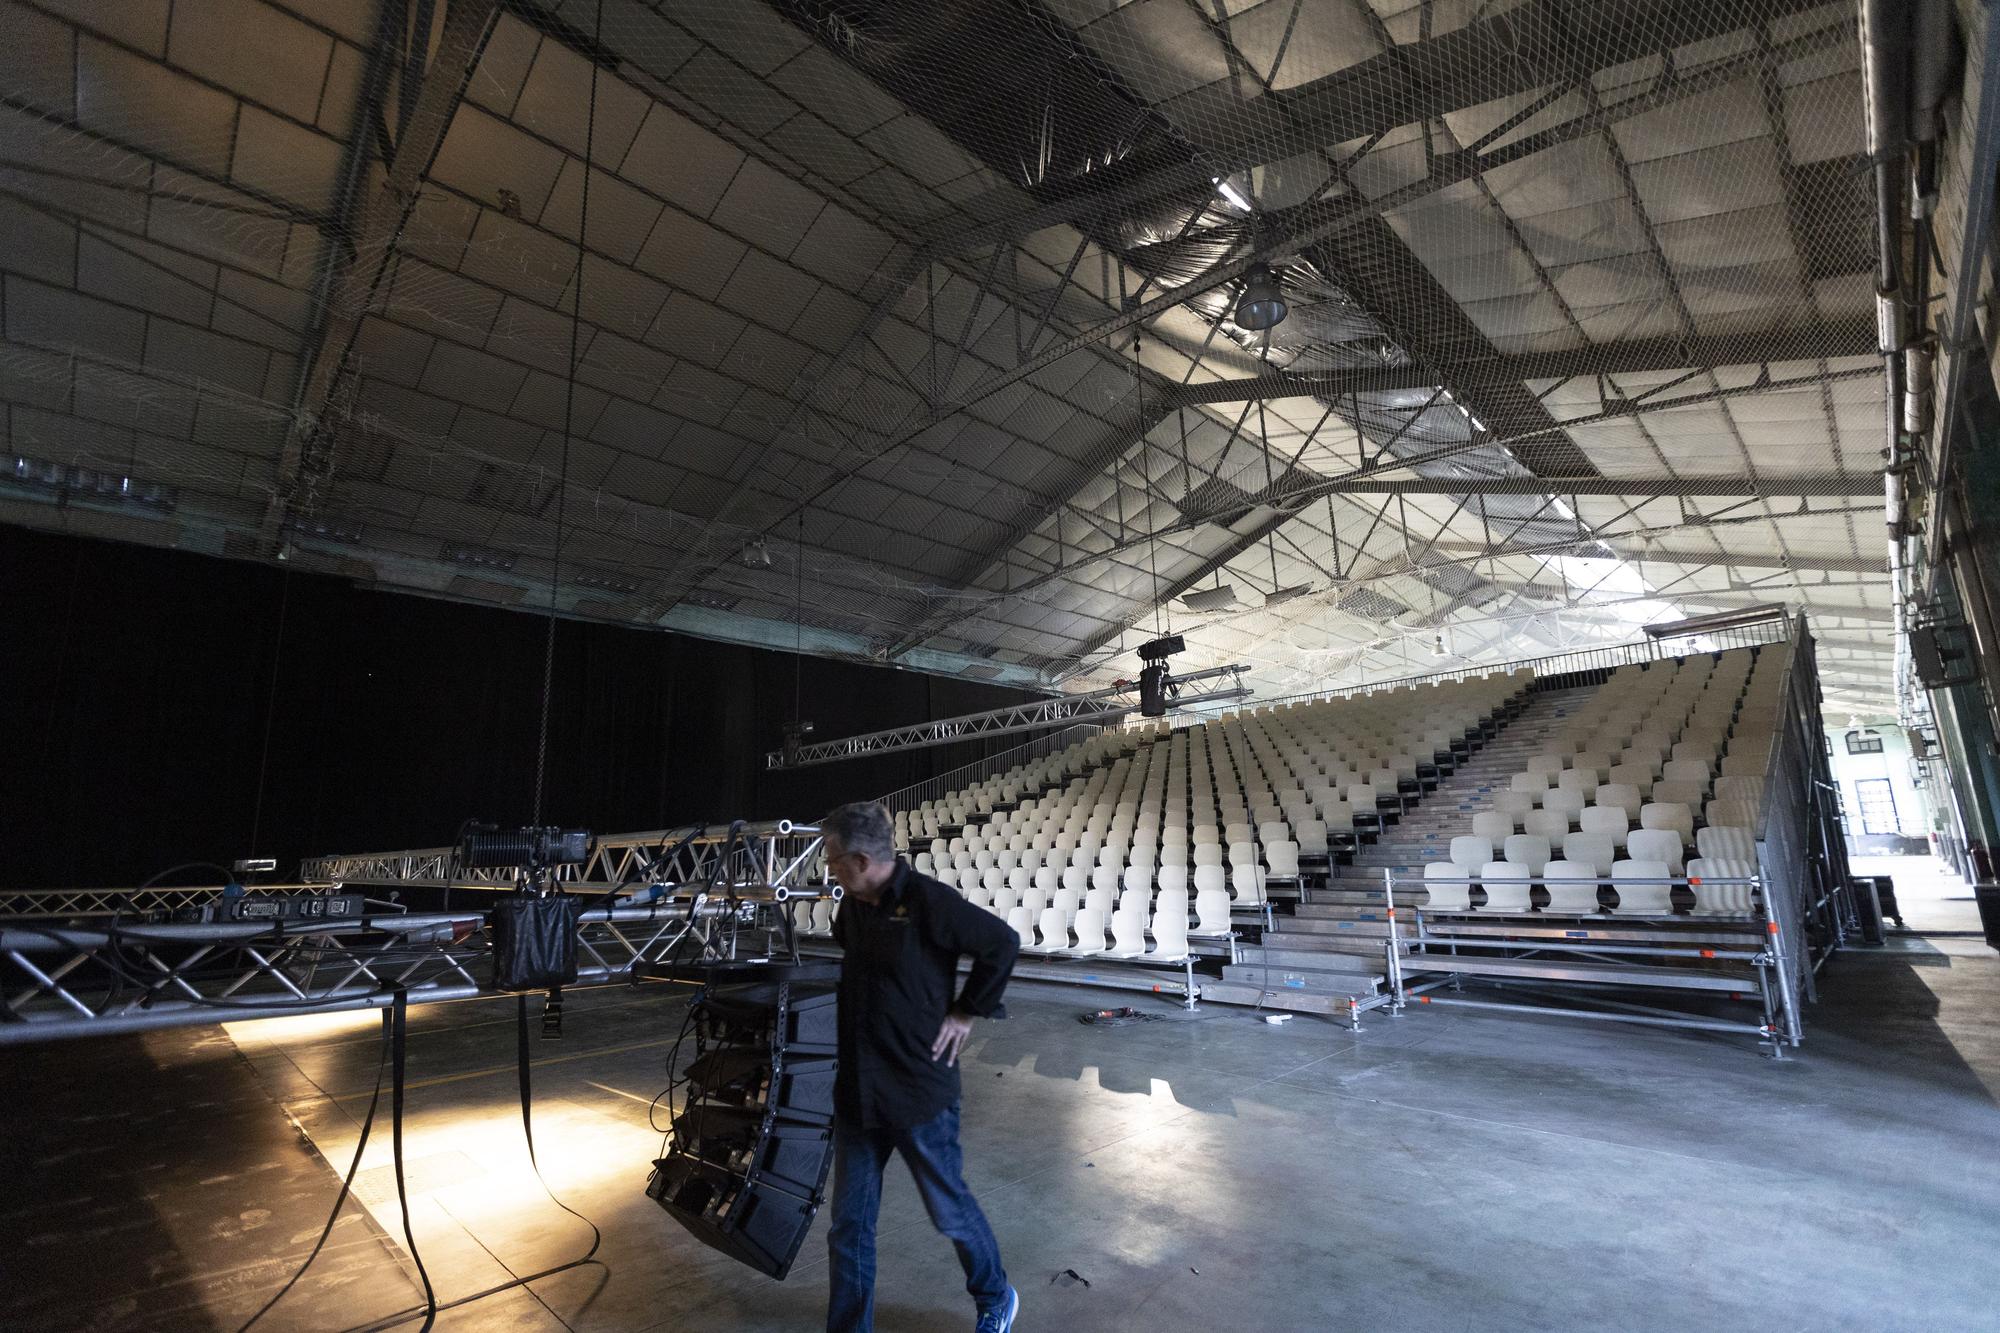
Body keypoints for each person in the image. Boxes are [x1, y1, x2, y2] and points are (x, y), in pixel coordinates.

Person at [819, 801, 1021, 1333]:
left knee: (949, 1211)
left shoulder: (930, 901)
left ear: (862, 860)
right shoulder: (854, 909)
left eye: (834, 859)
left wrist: (966, 1010)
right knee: (849, 1226)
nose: (829, 867)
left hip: (918, 1091)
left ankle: (997, 1295)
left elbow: (1002, 943)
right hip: (860, 1091)